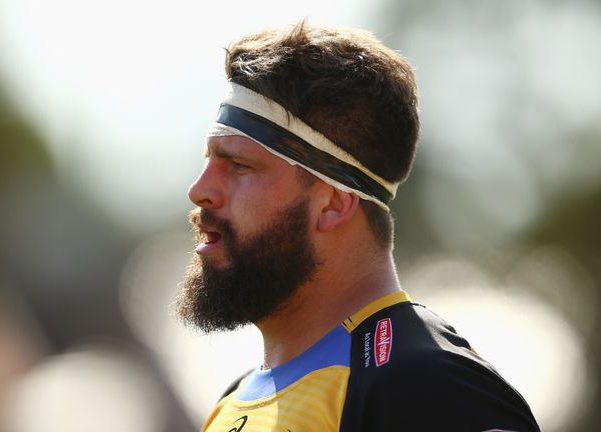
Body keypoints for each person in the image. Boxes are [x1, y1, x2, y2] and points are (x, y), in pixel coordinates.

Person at [175, 21, 540, 432]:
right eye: (208, 161)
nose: (199, 190)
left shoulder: (425, 385)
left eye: (239, 165)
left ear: (331, 204)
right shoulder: (234, 400)